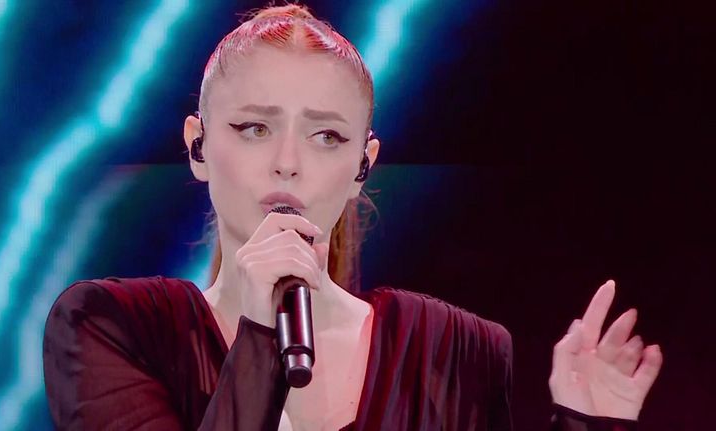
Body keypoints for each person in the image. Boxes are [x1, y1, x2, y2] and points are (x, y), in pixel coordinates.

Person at [42, 4, 663, 430]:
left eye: (326, 137)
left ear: (363, 165)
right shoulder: (110, 328)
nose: (288, 164)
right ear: (198, 146)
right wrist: (258, 336)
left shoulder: (456, 350)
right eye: (254, 128)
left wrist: (587, 423)